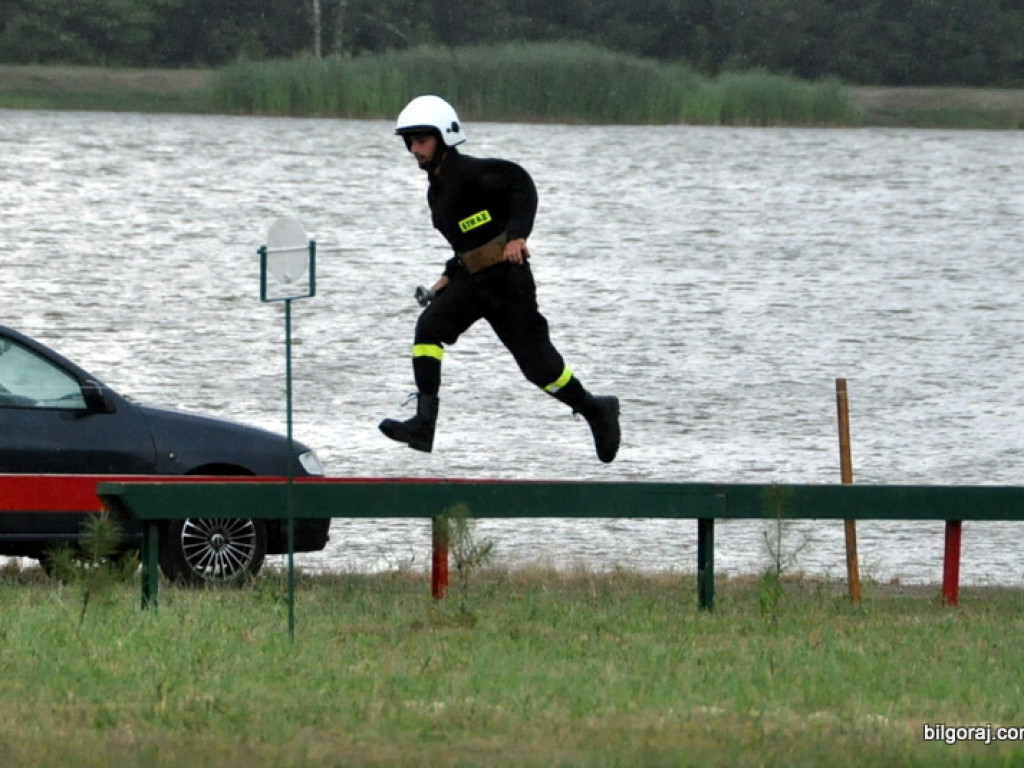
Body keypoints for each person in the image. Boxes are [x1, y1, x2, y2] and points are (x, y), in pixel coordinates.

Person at [379, 95, 621, 463]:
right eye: (409, 141)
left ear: (444, 137)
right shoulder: (437, 191)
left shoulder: (475, 173)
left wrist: (518, 235)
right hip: (472, 282)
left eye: (422, 140)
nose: (414, 149)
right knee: (428, 328)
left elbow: (522, 185)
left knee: (540, 369)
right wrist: (448, 274)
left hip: (508, 282)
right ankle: (424, 424)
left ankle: (594, 409)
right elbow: (468, 240)